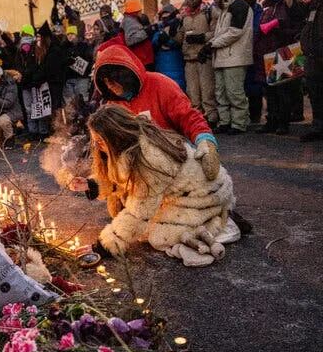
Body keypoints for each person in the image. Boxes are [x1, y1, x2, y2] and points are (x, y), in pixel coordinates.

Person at [69, 105, 234, 261]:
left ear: (115, 136)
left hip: (205, 195)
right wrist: (92, 184)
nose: (97, 146)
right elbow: (125, 180)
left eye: (100, 141)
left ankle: (216, 218)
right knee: (144, 226)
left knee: (157, 236)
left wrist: (105, 245)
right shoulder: (132, 144)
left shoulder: (150, 159)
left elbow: (139, 212)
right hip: (185, 192)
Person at [93, 44, 220, 191]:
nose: (109, 87)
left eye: (112, 81)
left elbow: (188, 116)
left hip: (170, 157)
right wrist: (96, 181)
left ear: (124, 75)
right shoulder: (112, 104)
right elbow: (108, 147)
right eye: (105, 82)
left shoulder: (161, 85)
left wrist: (205, 141)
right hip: (136, 168)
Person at [254, 0, 307, 134]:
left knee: (283, 90)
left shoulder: (291, 7)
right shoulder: (268, 7)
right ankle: (272, 120)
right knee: (270, 90)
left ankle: (283, 122)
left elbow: (296, 29)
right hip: (267, 53)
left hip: (284, 53)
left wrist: (278, 26)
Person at [202, 0, 253, 135]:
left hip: (234, 57)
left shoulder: (239, 6)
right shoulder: (227, 8)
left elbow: (235, 33)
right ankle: (225, 121)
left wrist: (212, 44)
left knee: (234, 92)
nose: (214, 1)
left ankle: (239, 123)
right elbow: (224, 33)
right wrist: (211, 44)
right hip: (224, 56)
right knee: (221, 92)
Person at [175, 0, 220, 127]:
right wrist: (173, 29)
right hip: (189, 59)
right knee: (192, 92)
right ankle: (197, 118)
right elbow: (179, 38)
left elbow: (216, 32)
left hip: (204, 57)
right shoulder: (185, 17)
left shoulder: (208, 12)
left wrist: (202, 38)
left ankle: (211, 117)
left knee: (207, 90)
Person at [300, 0, 323, 141]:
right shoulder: (314, 6)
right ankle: (318, 126)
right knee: (315, 95)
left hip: (319, 56)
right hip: (312, 58)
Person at [241, 0, 265, 125]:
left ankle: (255, 115)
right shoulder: (240, 10)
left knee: (255, 85)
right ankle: (247, 115)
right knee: (244, 85)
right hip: (243, 52)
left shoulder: (259, 11)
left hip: (255, 53)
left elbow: (257, 30)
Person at [152, 4, 186, 90]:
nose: (165, 19)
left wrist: (167, 41)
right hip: (163, 64)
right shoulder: (159, 29)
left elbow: (180, 41)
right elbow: (154, 42)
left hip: (176, 62)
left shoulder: (179, 27)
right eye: (163, 17)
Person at [121, 0, 155, 70]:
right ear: (135, 11)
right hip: (142, 59)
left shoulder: (133, 19)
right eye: (140, 10)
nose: (141, 12)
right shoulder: (129, 21)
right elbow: (130, 40)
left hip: (143, 59)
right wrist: (146, 32)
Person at [62, 25, 94, 103]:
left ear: (76, 35)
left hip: (81, 78)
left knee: (83, 101)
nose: (70, 36)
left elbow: (89, 59)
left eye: (72, 34)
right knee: (70, 103)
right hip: (69, 78)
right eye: (68, 34)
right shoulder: (64, 47)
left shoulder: (84, 46)